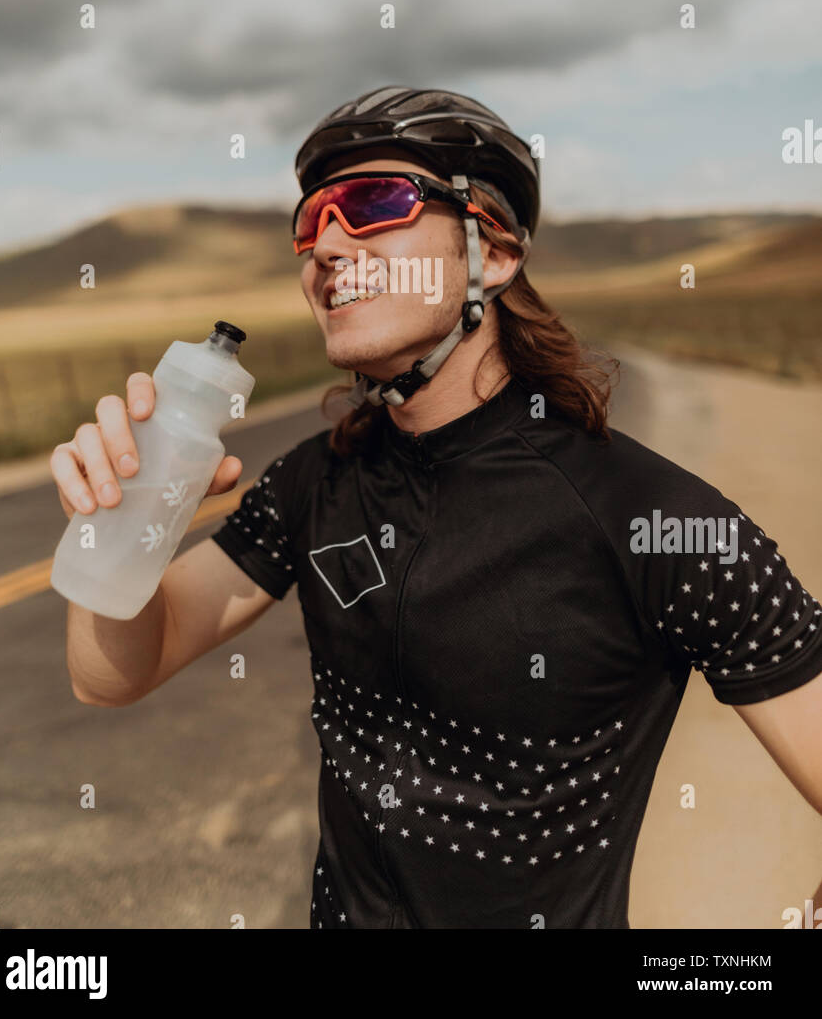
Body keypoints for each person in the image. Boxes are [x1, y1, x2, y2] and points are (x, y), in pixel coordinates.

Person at [52, 85, 822, 929]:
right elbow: (113, 676)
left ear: (493, 253)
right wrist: (116, 525)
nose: (329, 244)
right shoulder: (313, 481)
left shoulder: (647, 513)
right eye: (309, 225)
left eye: (375, 202)